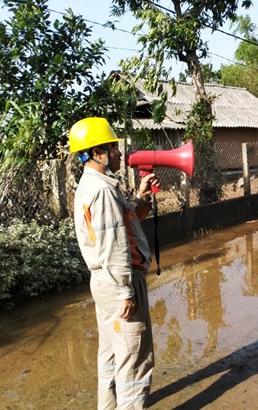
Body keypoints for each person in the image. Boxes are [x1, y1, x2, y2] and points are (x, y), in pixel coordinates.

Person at [69, 117, 159, 409]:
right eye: (114, 147)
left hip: (103, 282)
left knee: (111, 353)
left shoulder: (91, 185)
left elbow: (121, 223)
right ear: (98, 153)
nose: (121, 154)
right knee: (134, 360)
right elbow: (113, 244)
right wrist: (125, 291)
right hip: (120, 280)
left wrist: (141, 199)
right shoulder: (104, 190)